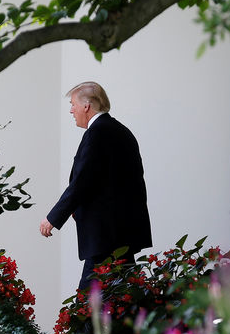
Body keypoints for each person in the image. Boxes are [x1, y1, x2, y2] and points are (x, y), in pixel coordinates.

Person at [40, 81, 152, 291]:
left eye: (73, 104)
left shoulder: (97, 133)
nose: (71, 110)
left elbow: (82, 181)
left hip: (105, 237)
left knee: (86, 307)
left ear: (86, 106)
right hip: (122, 233)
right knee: (126, 298)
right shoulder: (120, 131)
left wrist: (53, 218)